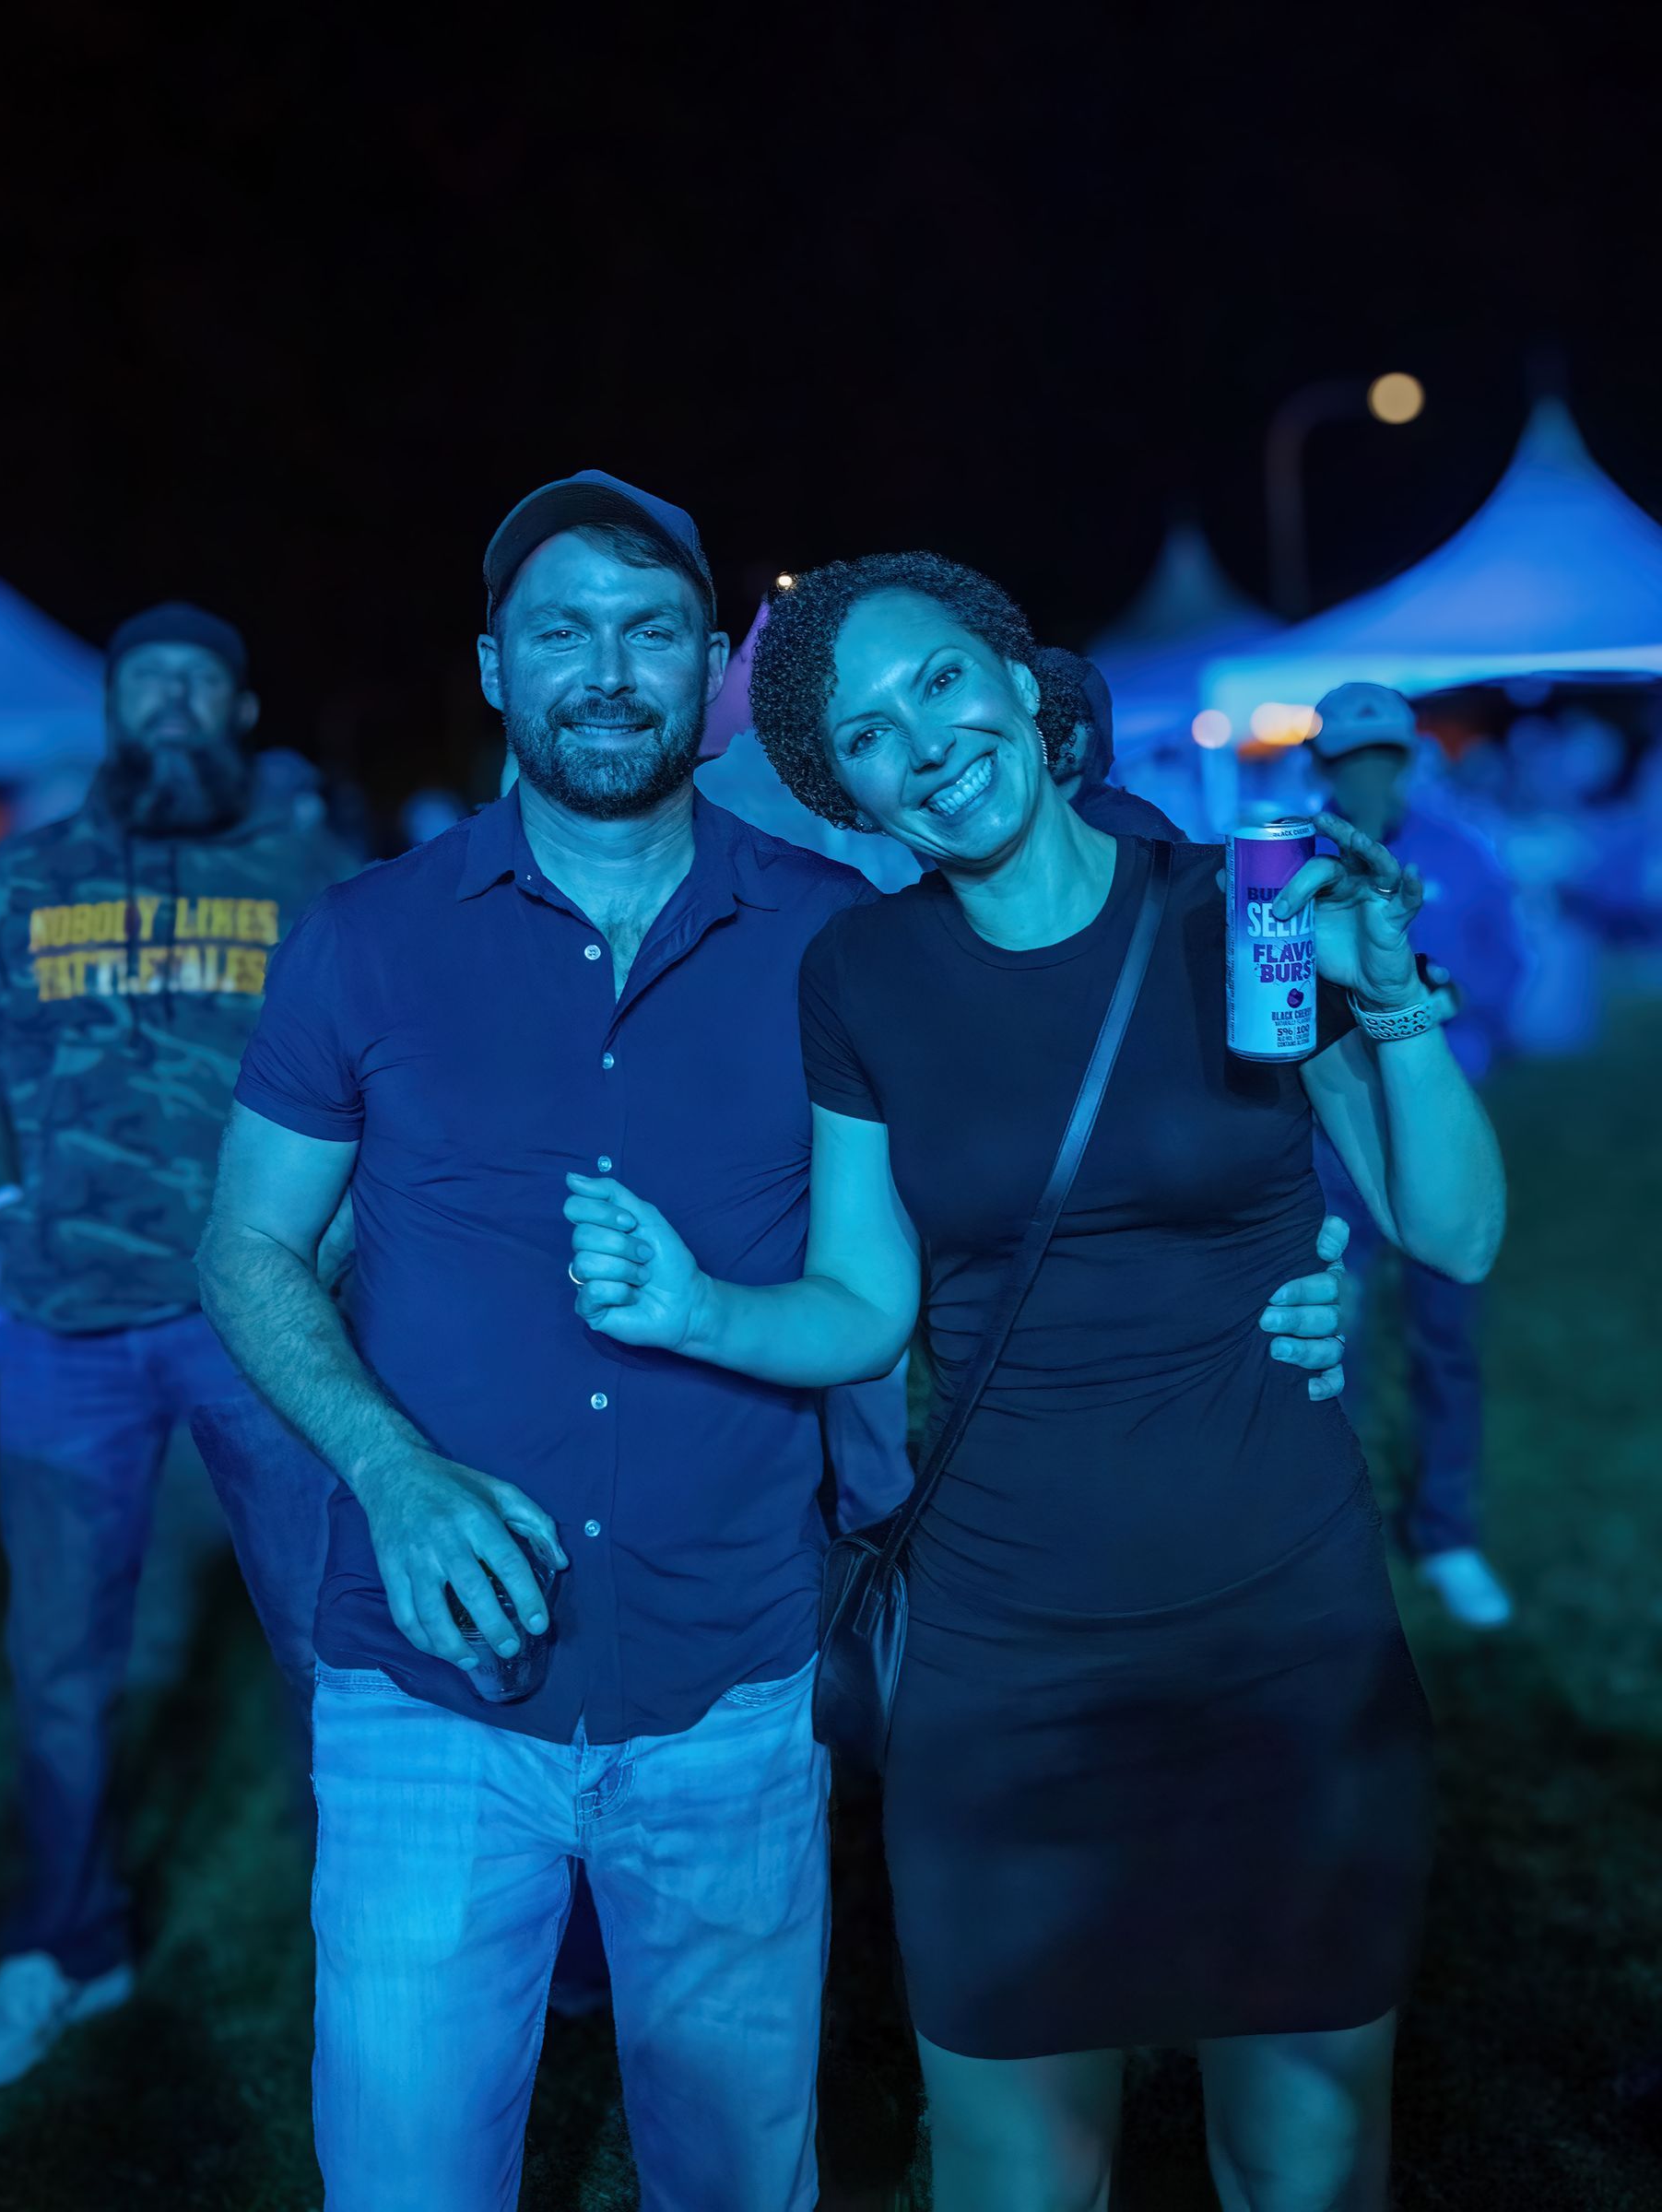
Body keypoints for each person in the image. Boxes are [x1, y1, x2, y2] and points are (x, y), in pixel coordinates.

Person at [194, 473, 1351, 2212]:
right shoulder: (364, 937)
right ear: (495, 665)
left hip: (733, 1688)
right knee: (407, 2179)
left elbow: (1060, 1134)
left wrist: (1286, 1268)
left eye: (652, 630)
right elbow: (247, 1245)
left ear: (717, 668)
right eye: (563, 630)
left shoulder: (844, 933)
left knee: (740, 2180)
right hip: (429, 1702)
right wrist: (393, 1472)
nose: (608, 669)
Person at [563, 551, 1506, 2212]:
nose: (918, 741)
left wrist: (1395, 1005)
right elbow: (865, 1302)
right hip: (1006, 1675)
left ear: (1021, 684)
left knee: (1302, 2162)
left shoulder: (1242, 907)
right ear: (838, 785)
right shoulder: (861, 979)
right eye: (861, 734)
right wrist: (698, 1307)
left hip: (1279, 1644)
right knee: (1015, 2175)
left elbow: (1457, 1232)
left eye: (938, 683)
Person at [0, 604, 354, 2090]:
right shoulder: (28, 876)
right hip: (66, 1342)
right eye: (142, 684)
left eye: (198, 682)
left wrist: (344, 1244)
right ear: (113, 714)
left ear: (239, 710)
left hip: (263, 1324)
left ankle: (375, 1929)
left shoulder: (306, 873)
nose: (168, 703)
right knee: (58, 1660)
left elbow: (390, 1066)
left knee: (328, 1637)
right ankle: (69, 1942)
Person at [1309, 683, 1524, 1629]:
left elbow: (1505, 969)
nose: (1364, 773)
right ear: (1324, 766)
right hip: (1331, 1144)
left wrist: (1445, 1002)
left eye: (1379, 756)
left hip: (1438, 1132)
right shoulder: (1293, 864)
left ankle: (1447, 1535)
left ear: (1403, 759)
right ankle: (1338, 1534)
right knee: (1332, 1340)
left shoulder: (1461, 854)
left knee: (1446, 1338)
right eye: (1346, 758)